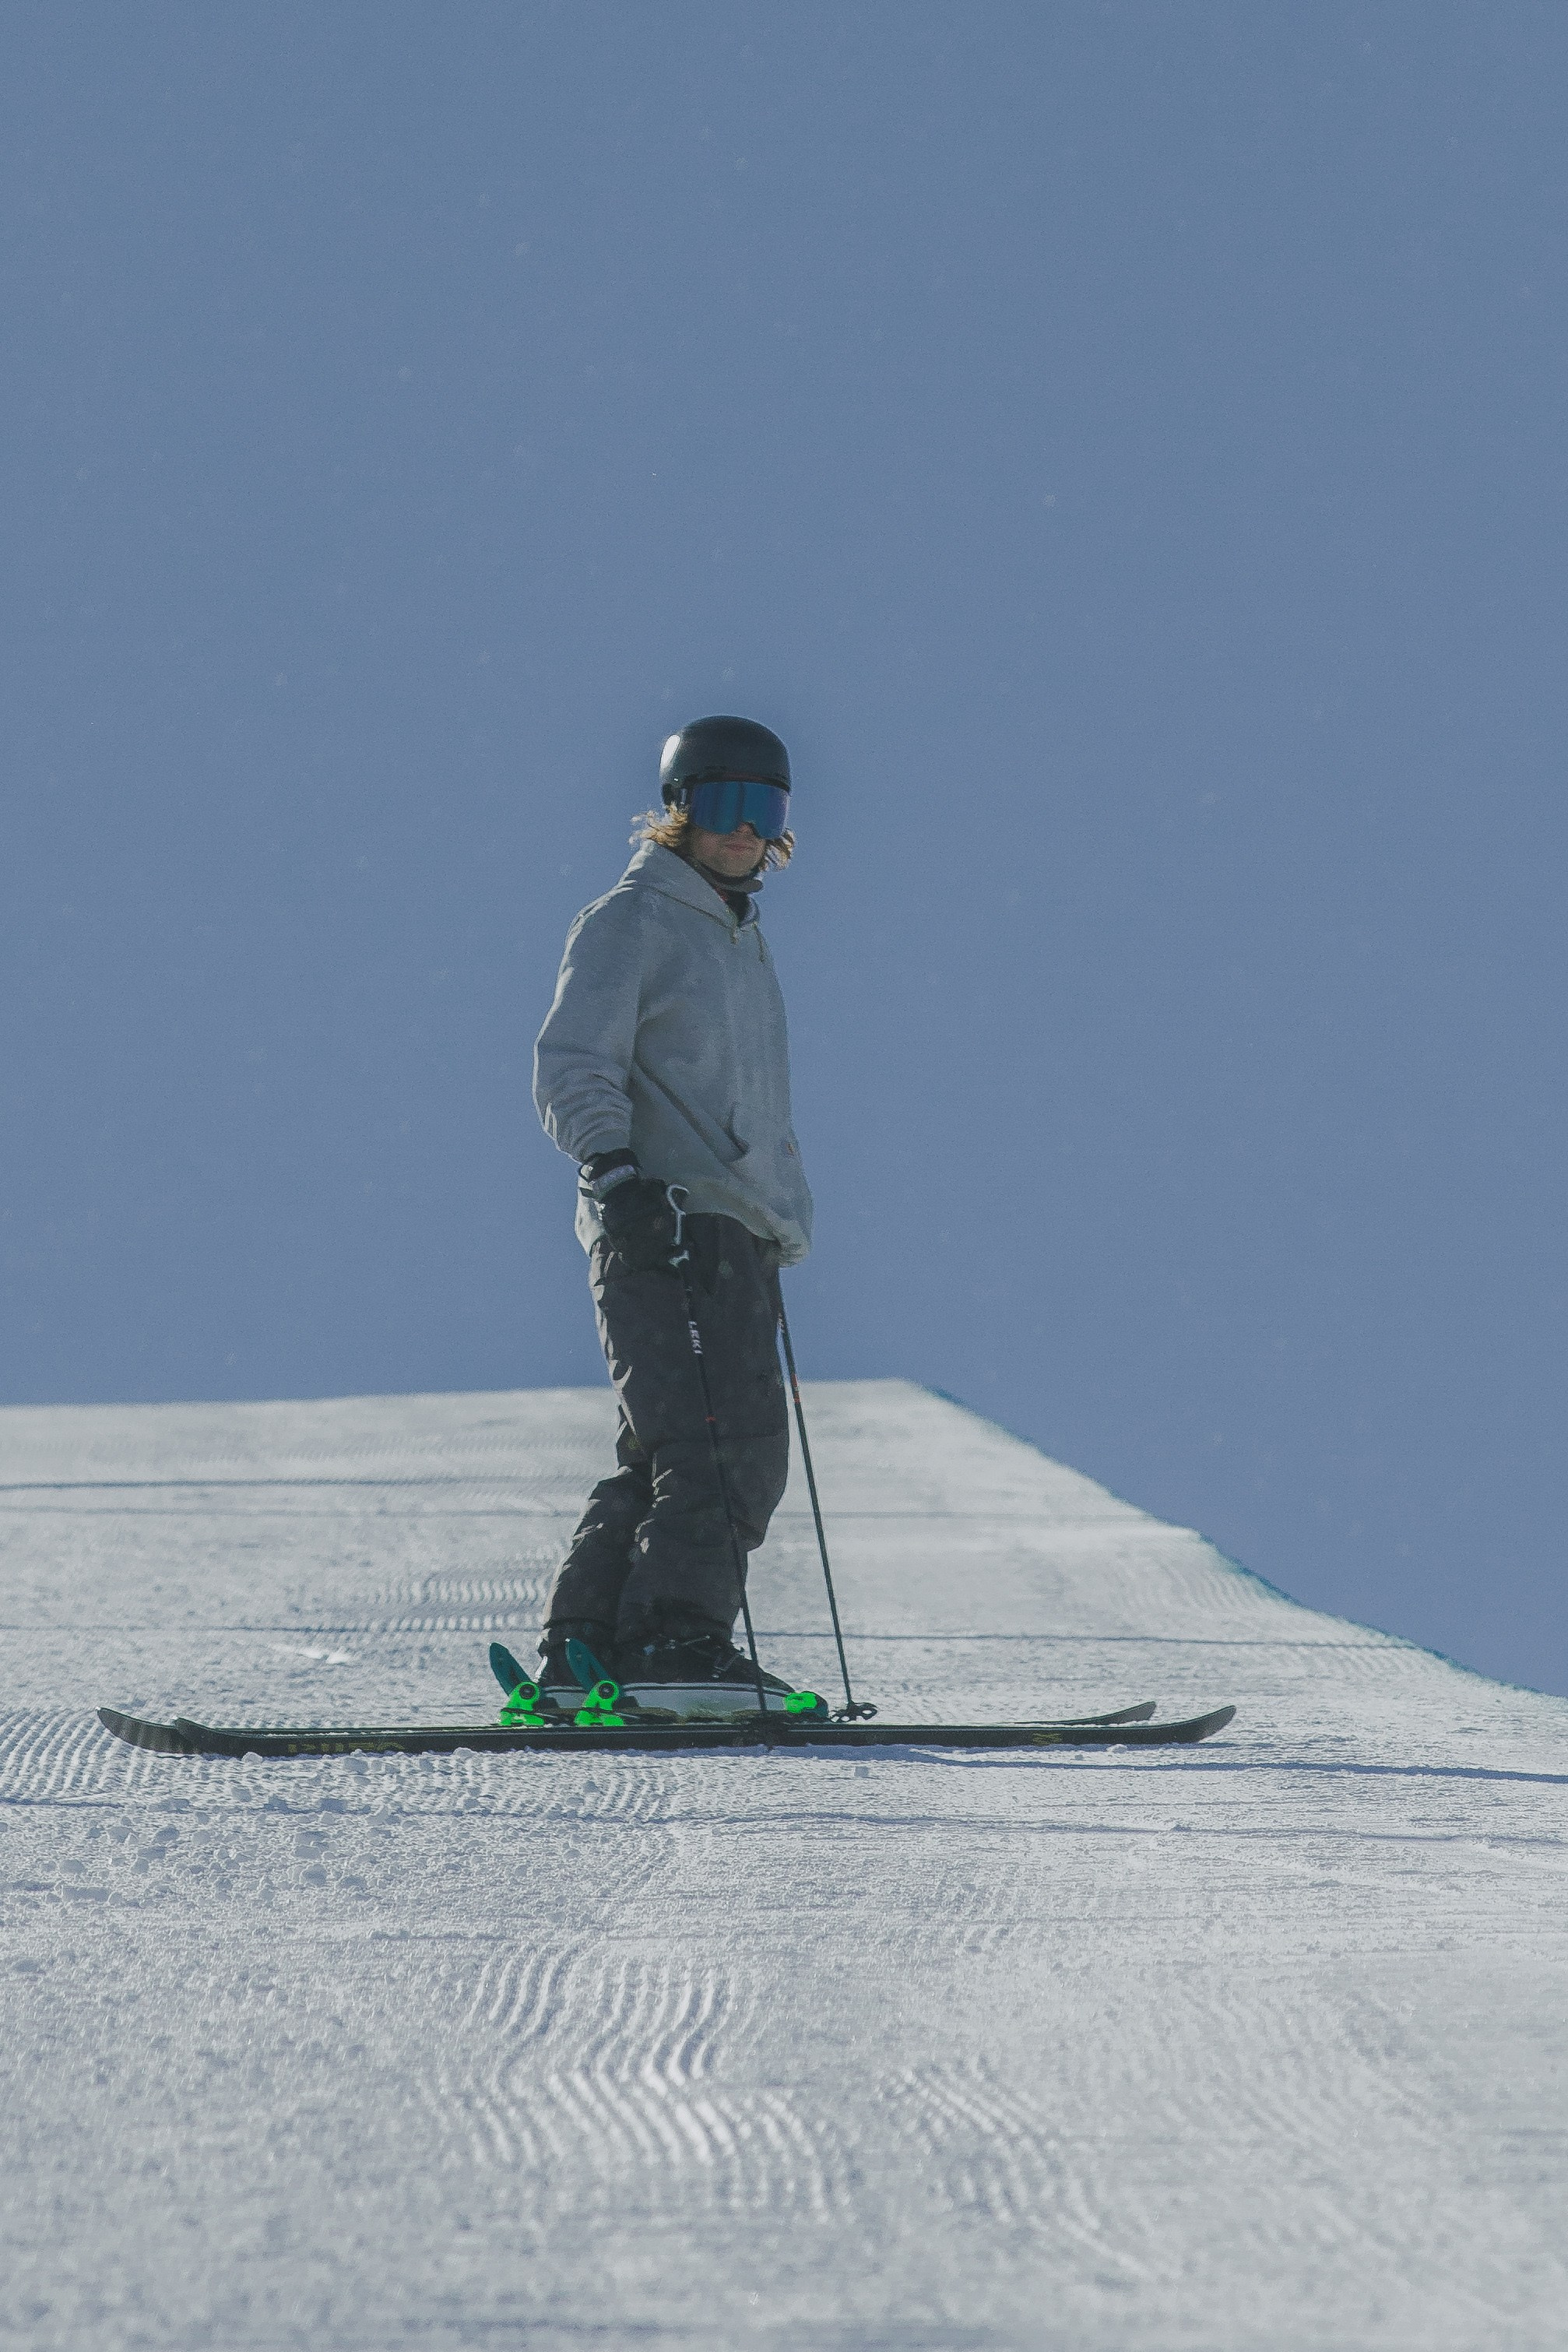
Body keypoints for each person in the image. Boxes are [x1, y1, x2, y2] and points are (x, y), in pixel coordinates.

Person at [532, 715, 814, 1716]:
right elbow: (574, 1061)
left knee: (668, 1447)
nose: (743, 830)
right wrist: (616, 1175)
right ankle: (675, 1643)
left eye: (765, 810)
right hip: (668, 1218)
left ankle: (585, 1654)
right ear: (678, 812)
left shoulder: (738, 941)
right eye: (723, 805)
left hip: (729, 1224)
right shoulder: (632, 921)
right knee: (727, 1445)